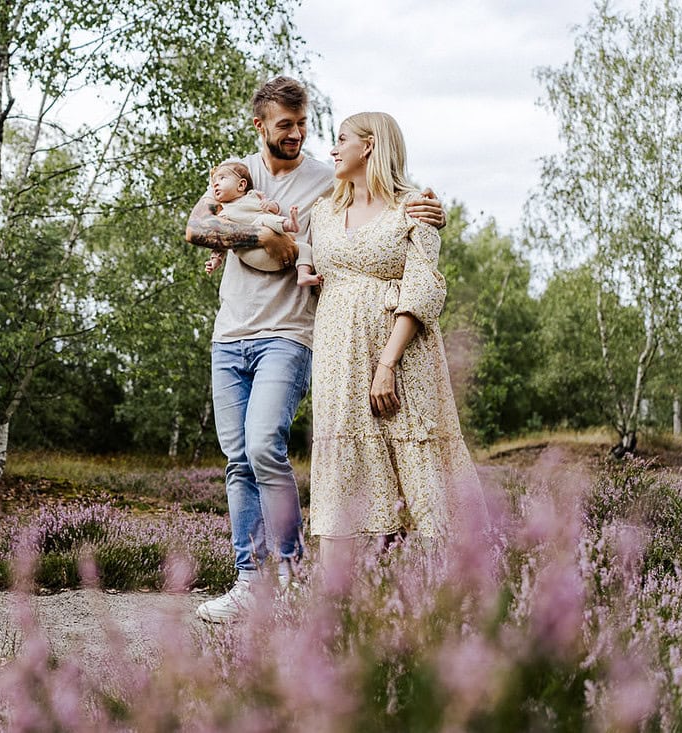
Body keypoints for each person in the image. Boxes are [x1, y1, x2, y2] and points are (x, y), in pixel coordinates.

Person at [185, 77, 445, 623]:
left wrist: (427, 206)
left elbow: (380, 203)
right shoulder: (235, 175)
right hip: (228, 335)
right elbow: (195, 228)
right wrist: (261, 238)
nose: (299, 135)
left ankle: (290, 571)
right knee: (238, 461)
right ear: (260, 126)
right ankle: (250, 582)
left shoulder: (327, 184)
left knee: (263, 445)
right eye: (286, 125)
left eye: (304, 123)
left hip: (290, 334)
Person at [307, 111, 486, 567]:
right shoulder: (323, 212)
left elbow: (424, 287)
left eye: (341, 139)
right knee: (340, 464)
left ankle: (441, 598)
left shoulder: (415, 206)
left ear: (368, 146)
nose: (333, 148)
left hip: (402, 358)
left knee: (415, 464)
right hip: (335, 358)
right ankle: (333, 610)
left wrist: (387, 363)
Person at [200, 159, 320, 289]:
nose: (216, 184)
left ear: (241, 185)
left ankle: (303, 275)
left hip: (284, 256)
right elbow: (220, 240)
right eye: (214, 183)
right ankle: (289, 224)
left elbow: (274, 209)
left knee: (304, 248)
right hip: (254, 255)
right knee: (261, 220)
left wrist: (271, 205)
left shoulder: (254, 196)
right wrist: (215, 260)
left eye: (222, 178)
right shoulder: (224, 212)